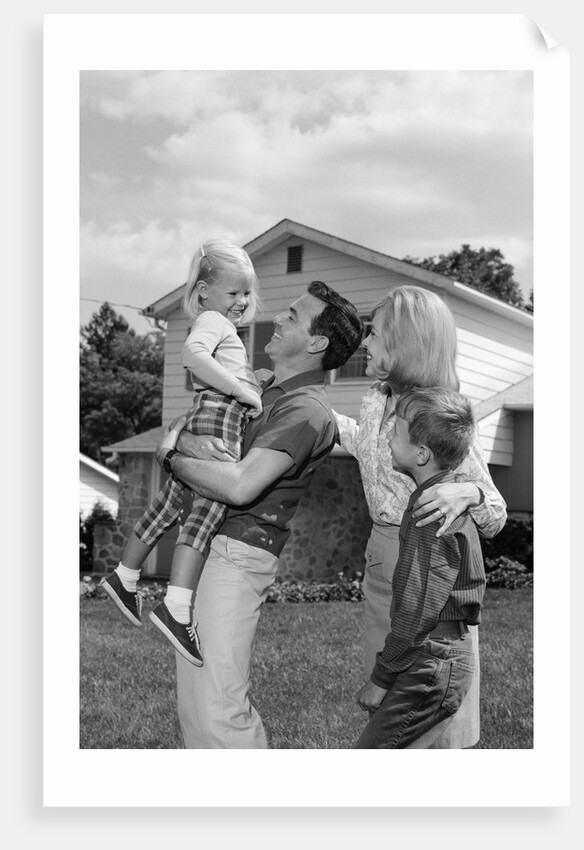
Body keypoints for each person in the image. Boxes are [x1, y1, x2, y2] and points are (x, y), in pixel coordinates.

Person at [154, 280, 363, 748]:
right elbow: (187, 429)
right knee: (195, 706)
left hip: (237, 553)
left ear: (316, 343)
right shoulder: (257, 388)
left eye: (293, 315)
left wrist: (170, 458)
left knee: (219, 708)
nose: (279, 317)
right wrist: (185, 441)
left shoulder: (306, 410)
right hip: (208, 545)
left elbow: (239, 484)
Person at [334, 285, 506, 749]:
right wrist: (309, 413)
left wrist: (468, 491)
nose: (364, 342)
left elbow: (495, 513)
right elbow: (366, 447)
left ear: (405, 344)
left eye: (374, 333)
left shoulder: (435, 413)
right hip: (381, 559)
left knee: (435, 709)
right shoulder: (377, 398)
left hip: (427, 567)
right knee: (392, 712)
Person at [100, 238, 264, 666]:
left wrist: (249, 380)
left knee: (171, 501)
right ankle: (176, 607)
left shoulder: (217, 323)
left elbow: (210, 367)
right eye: (234, 292)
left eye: (247, 292)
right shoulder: (213, 321)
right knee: (207, 510)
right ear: (204, 291)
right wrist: (242, 390)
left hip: (206, 411)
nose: (242, 301)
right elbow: (193, 355)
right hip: (220, 415)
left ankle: (125, 576)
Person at [355, 386, 486, 748]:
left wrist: (381, 678)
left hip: (432, 658)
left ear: (422, 453)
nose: (387, 439)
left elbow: (417, 609)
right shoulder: (443, 498)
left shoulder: (431, 512)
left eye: (395, 433)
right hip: (436, 654)